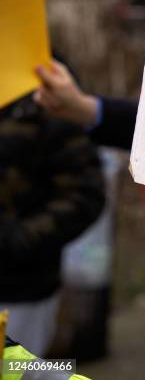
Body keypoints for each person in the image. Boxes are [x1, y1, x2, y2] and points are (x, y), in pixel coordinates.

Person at [0, 94, 105, 355]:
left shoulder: (47, 88)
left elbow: (84, 193)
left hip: (22, 291)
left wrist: (18, 240)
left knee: (18, 371)